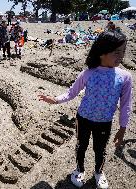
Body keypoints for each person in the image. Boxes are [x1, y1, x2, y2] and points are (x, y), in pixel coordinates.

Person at [38, 31, 132, 189]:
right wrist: (55, 100)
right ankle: (79, 170)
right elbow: (71, 92)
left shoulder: (125, 77)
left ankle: (99, 172)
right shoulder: (88, 73)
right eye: (116, 52)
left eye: (123, 51)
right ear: (102, 52)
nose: (121, 56)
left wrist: (123, 127)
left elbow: (125, 104)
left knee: (100, 150)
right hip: (83, 119)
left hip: (104, 122)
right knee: (81, 146)